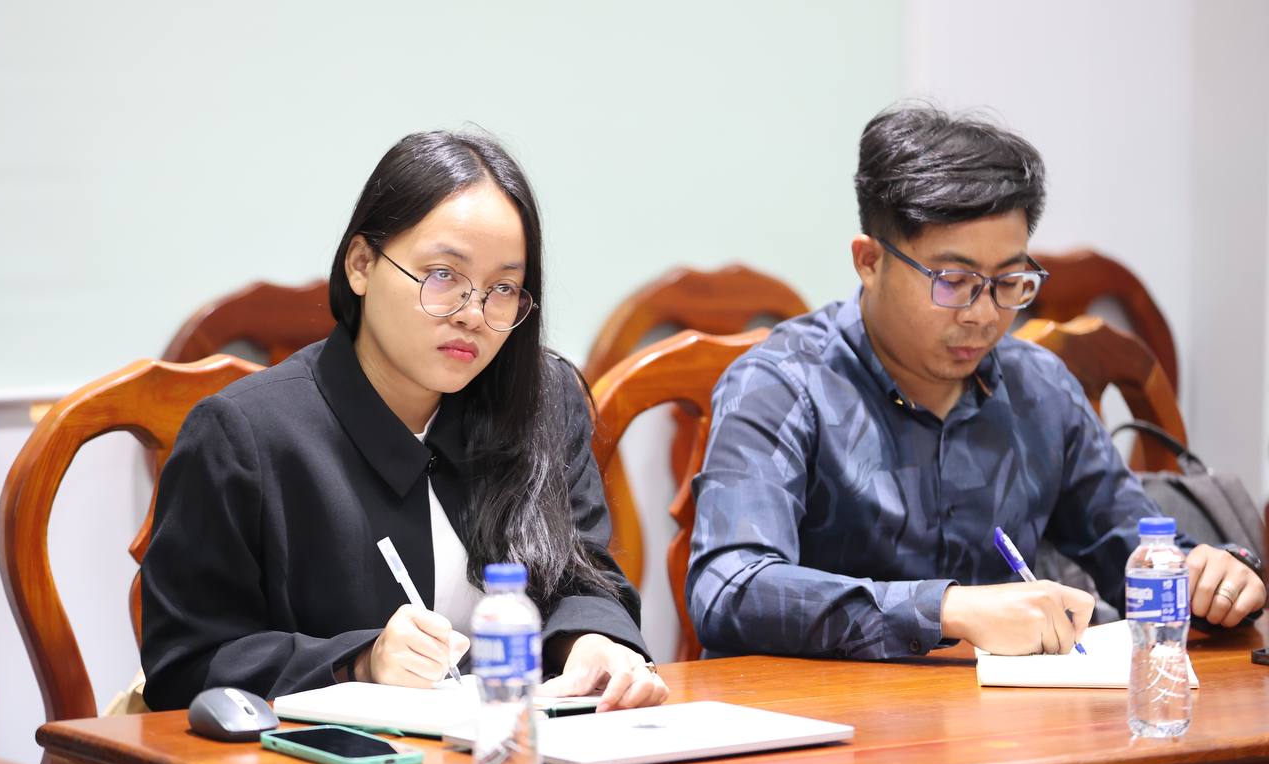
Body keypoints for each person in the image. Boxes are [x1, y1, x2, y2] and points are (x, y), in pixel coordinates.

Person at [688, 105, 1266, 660]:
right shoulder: (782, 383)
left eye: (1009, 281)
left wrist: (1213, 579)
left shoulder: (1039, 388)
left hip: (1001, 718)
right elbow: (730, 587)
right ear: (869, 261)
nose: (984, 315)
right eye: (953, 280)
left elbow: (1131, 550)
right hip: (818, 717)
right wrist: (946, 610)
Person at [141, 131, 668, 712]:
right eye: (443, 275)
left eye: (502, 288)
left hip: (522, 749)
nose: (473, 315)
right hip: (333, 762)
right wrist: (359, 662)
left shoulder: (543, 400)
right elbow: (186, 666)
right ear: (362, 265)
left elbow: (584, 573)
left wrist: (591, 640)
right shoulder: (245, 434)